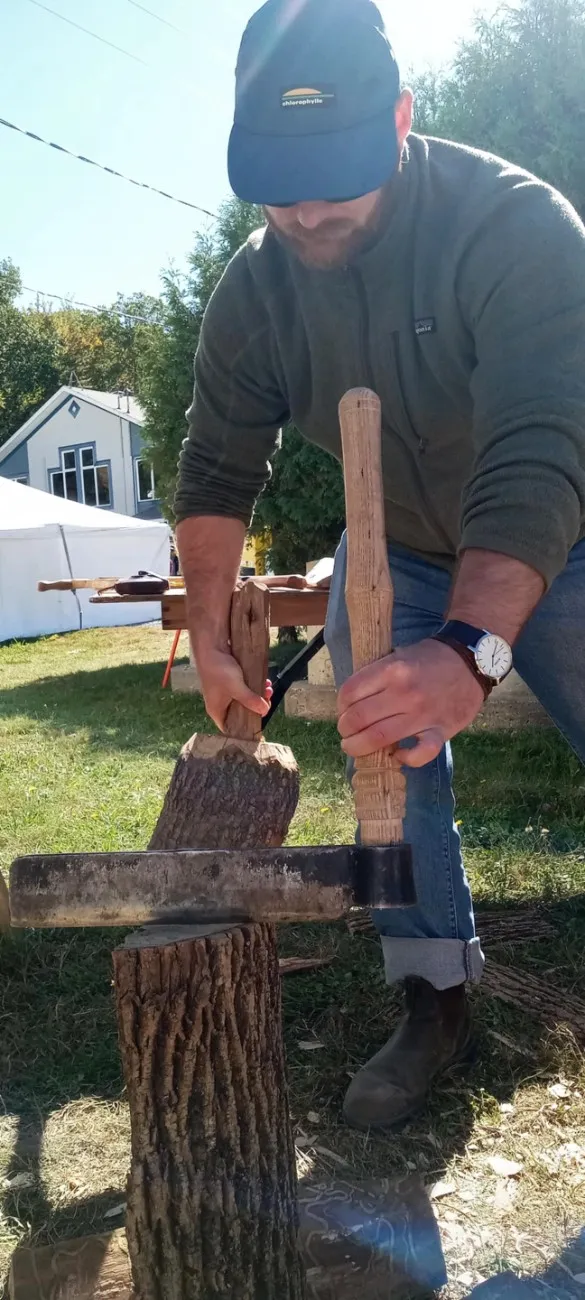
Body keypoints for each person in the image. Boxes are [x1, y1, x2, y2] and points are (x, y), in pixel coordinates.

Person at [174, 0, 585, 1129]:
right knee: (385, 747)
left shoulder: (517, 229)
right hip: (395, 542)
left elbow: (540, 454)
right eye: (277, 179)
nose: (305, 209)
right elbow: (216, 467)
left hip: (562, 532)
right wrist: (211, 632)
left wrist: (472, 646)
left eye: (336, 175)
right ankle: (432, 990)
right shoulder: (256, 292)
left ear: (404, 119)